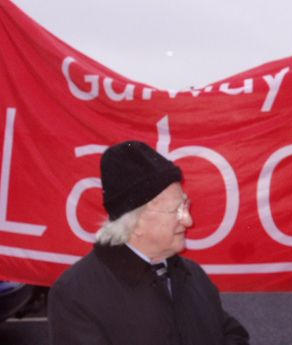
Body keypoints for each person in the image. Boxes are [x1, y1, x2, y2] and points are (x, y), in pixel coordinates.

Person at [48, 140, 250, 345]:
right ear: (135, 223)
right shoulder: (76, 294)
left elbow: (232, 333)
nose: (189, 220)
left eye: (186, 206)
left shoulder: (192, 275)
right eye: (177, 210)